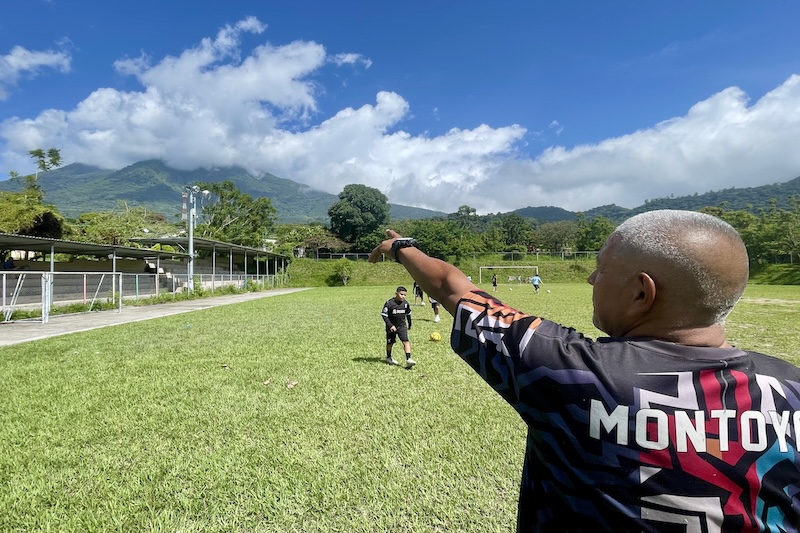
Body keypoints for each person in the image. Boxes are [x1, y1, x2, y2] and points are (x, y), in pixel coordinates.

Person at [369, 210, 800, 531]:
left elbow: (451, 287)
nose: (593, 278)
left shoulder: (571, 371)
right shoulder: (792, 388)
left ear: (641, 292)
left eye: (603, 269)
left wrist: (401, 246)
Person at [381, 286, 416, 368]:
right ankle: (389, 357)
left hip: (402, 326)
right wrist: (390, 325)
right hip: (391, 327)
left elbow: (408, 314)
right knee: (390, 342)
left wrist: (410, 324)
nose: (403, 296)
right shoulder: (389, 303)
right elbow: (384, 315)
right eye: (401, 294)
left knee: (405, 341)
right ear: (396, 293)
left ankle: (408, 359)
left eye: (405, 295)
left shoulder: (406, 304)